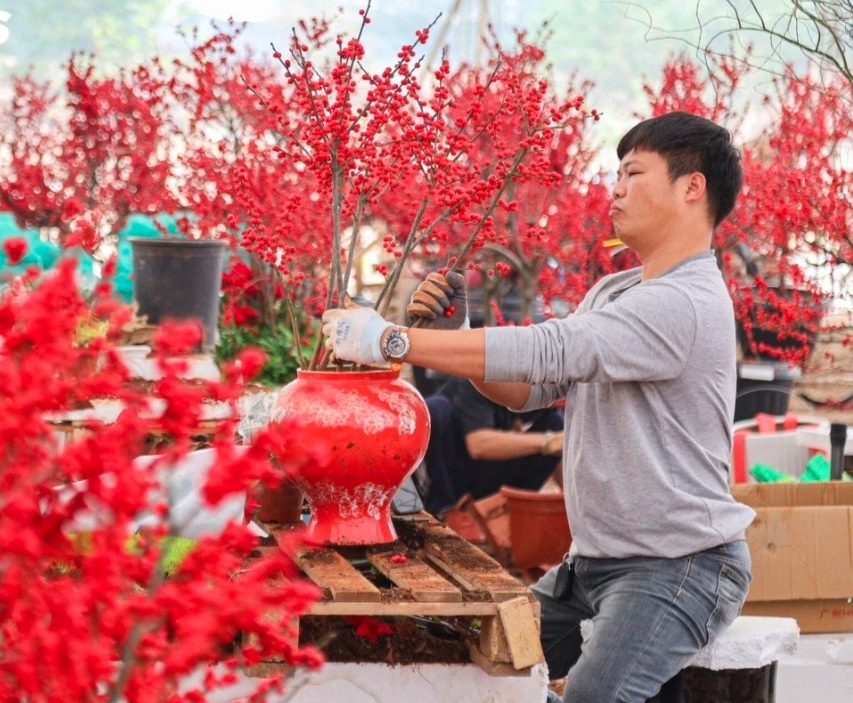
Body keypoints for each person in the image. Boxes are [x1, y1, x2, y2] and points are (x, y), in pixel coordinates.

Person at [321, 111, 755, 703]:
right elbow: (531, 385)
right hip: (592, 565)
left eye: (633, 172)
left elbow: (551, 345)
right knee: (472, 667)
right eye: (617, 173)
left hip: (680, 567)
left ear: (691, 187)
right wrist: (461, 332)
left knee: (592, 697)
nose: (617, 188)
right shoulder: (615, 290)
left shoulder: (686, 302)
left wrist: (391, 340)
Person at [421, 375, 564, 516]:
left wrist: (570, 501)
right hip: (455, 472)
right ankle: (445, 512)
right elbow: (478, 445)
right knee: (436, 411)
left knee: (555, 425)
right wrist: (548, 441)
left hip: (487, 479)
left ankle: (508, 510)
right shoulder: (476, 380)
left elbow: (560, 450)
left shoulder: (543, 389)